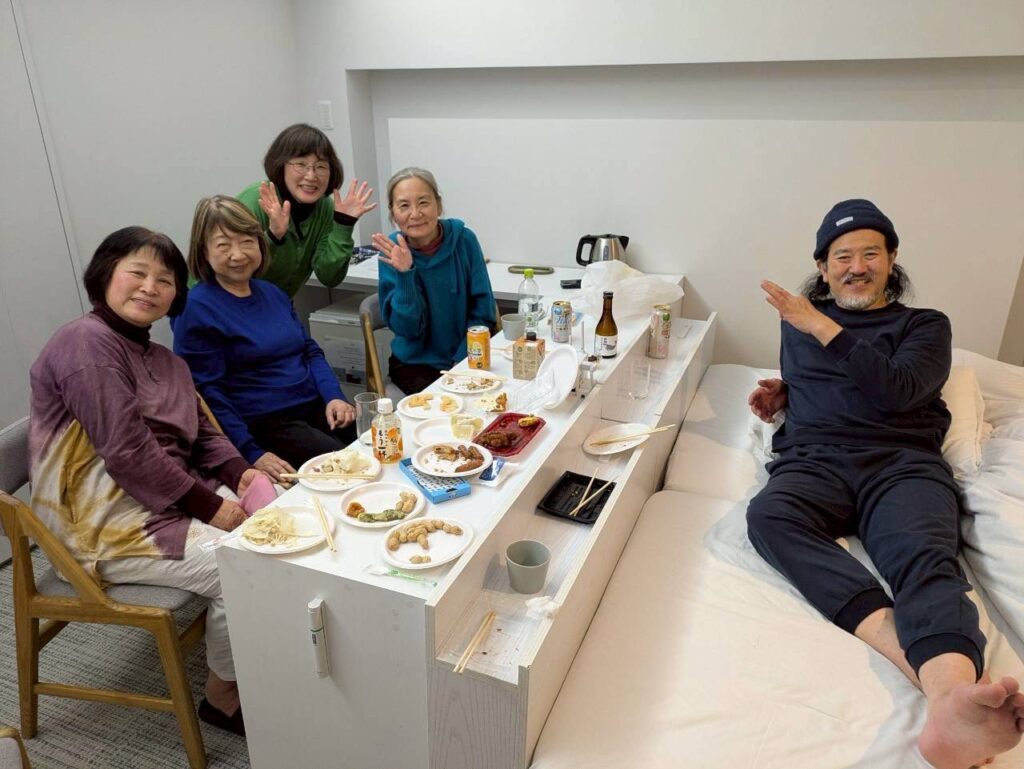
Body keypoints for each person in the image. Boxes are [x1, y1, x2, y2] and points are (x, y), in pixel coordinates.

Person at [745, 199, 1024, 768]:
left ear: (891, 260)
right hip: (815, 462)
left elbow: (897, 390)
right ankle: (926, 673)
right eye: (842, 256)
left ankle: (952, 702)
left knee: (923, 555)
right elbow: (827, 379)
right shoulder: (799, 328)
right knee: (769, 517)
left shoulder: (924, 325)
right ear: (823, 268)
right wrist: (788, 395)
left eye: (869, 253)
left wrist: (820, 324)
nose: (856, 267)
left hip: (901, 464)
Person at [29, 227, 264, 735]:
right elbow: (128, 453)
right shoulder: (85, 343)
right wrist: (215, 508)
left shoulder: (163, 358)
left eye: (165, 279)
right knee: (243, 566)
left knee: (287, 518)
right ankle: (222, 697)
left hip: (166, 497)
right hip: (102, 523)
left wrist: (241, 473)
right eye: (136, 272)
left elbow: (203, 434)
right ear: (105, 275)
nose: (149, 287)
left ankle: (267, 653)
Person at [173, 196, 356, 484]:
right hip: (264, 424)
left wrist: (334, 396)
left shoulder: (271, 292)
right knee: (346, 468)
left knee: (380, 440)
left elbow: (309, 351)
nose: (238, 254)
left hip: (314, 405)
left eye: (247, 242)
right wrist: (251, 452)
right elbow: (208, 394)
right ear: (203, 252)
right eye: (223, 245)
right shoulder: (195, 308)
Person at [370, 167, 496, 395]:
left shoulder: (465, 240)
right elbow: (407, 330)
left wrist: (461, 360)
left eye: (423, 202)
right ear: (393, 213)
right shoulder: (391, 251)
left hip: (466, 356)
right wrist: (405, 274)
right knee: (447, 406)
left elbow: (483, 313)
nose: (415, 214)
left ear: (438, 205)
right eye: (404, 205)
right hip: (414, 364)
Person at [237, 123, 377, 298]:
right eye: (301, 164)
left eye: (321, 166)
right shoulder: (257, 198)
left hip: (278, 306)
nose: (311, 176)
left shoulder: (325, 207)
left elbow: (329, 277)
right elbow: (233, 266)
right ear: (281, 165)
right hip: (230, 306)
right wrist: (272, 236)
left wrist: (343, 225)